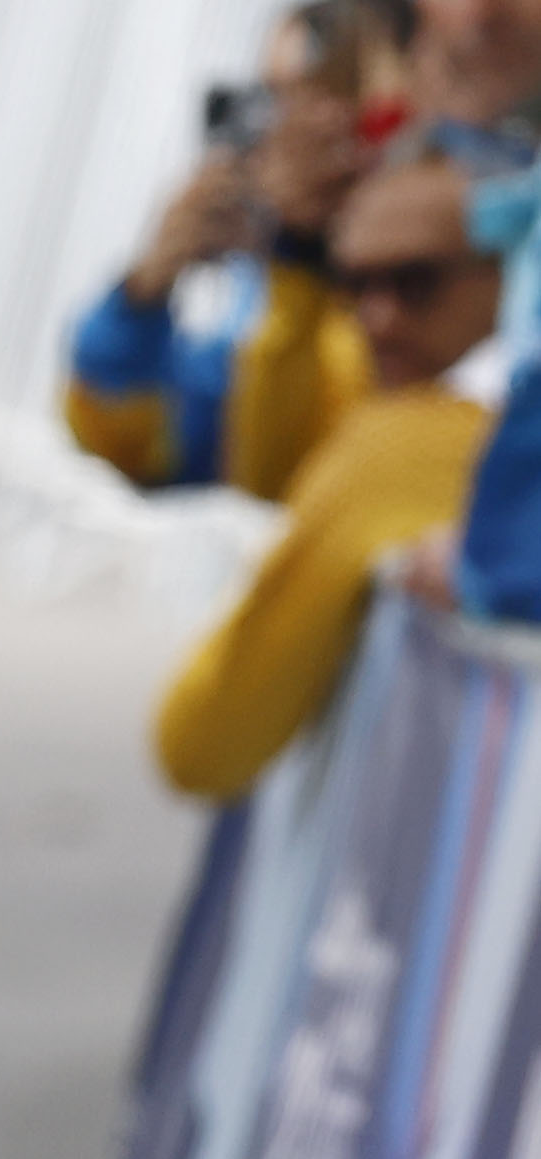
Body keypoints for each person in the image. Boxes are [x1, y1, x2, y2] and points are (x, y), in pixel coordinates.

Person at [163, 133, 501, 795]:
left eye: (414, 281)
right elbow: (265, 467)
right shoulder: (393, 415)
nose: (374, 316)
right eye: (351, 284)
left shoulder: (401, 444)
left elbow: (199, 745)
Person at [62, 0, 398, 499]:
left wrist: (305, 261)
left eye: (309, 99)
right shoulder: (267, 286)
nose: (269, 129)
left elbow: (285, 478)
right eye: (271, 97)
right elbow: (154, 452)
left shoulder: (428, 297)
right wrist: (144, 295)